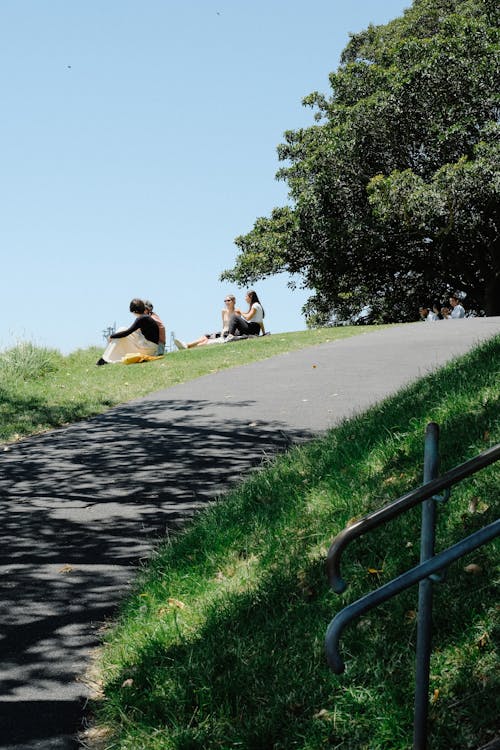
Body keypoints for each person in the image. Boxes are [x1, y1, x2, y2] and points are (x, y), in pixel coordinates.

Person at [96, 298, 159, 364]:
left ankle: (106, 358)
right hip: (150, 347)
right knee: (122, 330)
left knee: (122, 332)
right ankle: (106, 357)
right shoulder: (145, 317)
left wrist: (112, 336)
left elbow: (127, 332)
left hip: (148, 349)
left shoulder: (141, 319)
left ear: (134, 311)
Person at [174, 295, 241, 350]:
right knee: (205, 336)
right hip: (222, 332)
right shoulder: (223, 311)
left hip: (229, 333)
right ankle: (187, 345)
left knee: (206, 341)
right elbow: (224, 325)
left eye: (228, 300)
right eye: (225, 301)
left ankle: (187, 346)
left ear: (233, 301)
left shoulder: (237, 311)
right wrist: (222, 332)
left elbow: (236, 325)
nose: (226, 302)